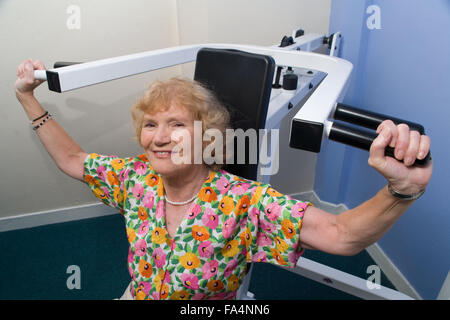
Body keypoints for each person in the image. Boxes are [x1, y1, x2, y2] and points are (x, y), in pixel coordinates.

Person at [15, 59, 433, 300]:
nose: (158, 137)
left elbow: (343, 235)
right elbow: (72, 159)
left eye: (176, 124)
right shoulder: (134, 177)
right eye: (150, 124)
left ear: (208, 137)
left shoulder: (243, 202)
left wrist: (403, 189)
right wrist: (27, 97)